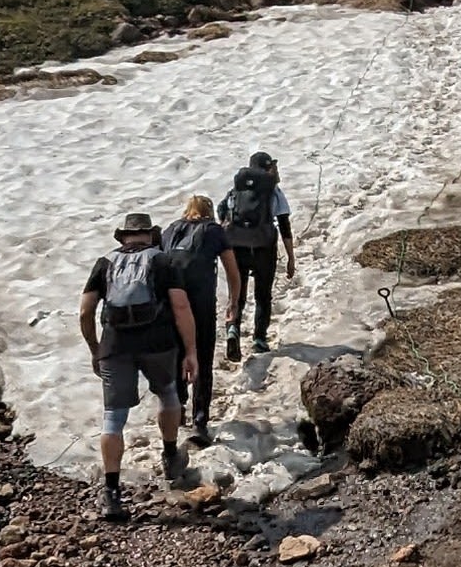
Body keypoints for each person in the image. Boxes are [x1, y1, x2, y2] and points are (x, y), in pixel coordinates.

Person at [79, 208, 202, 520]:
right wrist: (191, 351)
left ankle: (112, 493)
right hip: (158, 344)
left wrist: (96, 349)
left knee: (113, 419)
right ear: (150, 234)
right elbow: (180, 305)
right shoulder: (163, 260)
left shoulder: (105, 262)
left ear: (123, 236)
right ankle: (172, 457)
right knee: (168, 395)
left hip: (114, 346)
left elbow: (85, 312)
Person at [161, 193, 232, 440]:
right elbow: (231, 268)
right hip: (201, 305)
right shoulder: (213, 230)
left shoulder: (170, 231)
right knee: (202, 357)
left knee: (177, 355)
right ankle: (200, 422)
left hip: (170, 305)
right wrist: (234, 300)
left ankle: (178, 407)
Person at [219, 151, 299, 359]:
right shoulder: (273, 191)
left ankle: (233, 330)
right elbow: (284, 224)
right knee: (263, 295)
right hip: (264, 248)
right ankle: (259, 339)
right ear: (268, 168)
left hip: (237, 248)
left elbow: (221, 213)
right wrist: (290, 257)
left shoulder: (235, 190)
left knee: (237, 293)